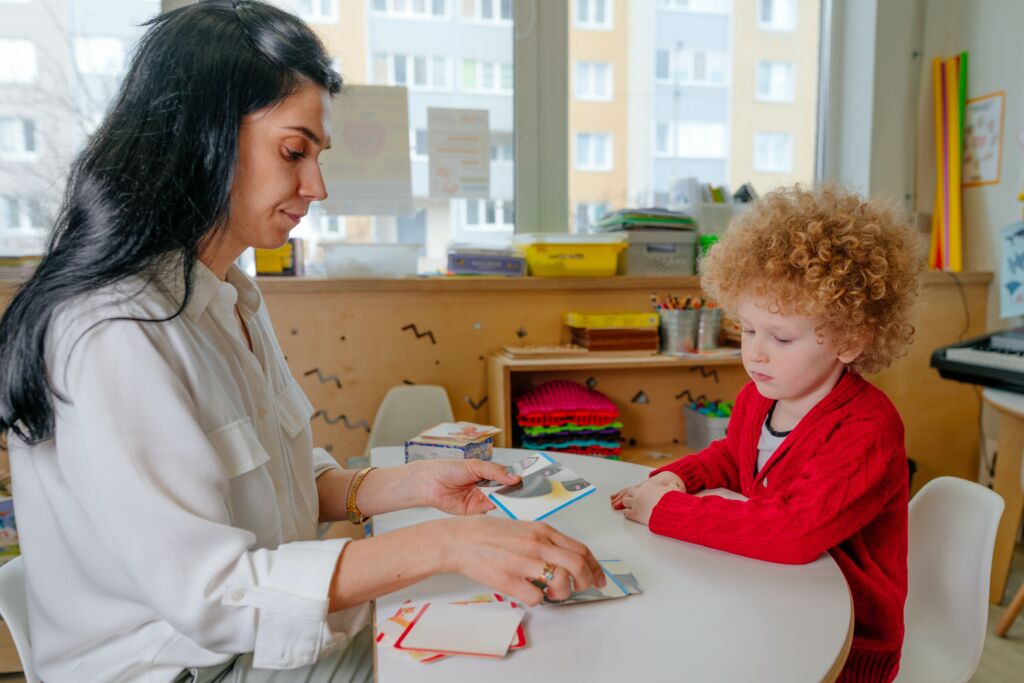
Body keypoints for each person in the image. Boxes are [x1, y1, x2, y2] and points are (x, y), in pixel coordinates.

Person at [0, 2, 603, 681]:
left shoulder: (225, 292)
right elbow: (216, 593)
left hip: (243, 645)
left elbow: (278, 486)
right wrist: (447, 544)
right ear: (200, 137)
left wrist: (415, 485)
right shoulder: (113, 331)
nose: (316, 186)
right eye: (293, 151)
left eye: (318, 156)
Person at [611, 184, 923, 682]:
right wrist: (678, 478)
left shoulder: (867, 429)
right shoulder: (761, 394)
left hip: (845, 641)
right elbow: (736, 457)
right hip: (772, 596)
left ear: (849, 338)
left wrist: (667, 511)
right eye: (747, 330)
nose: (755, 353)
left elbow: (792, 532)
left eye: (780, 337)